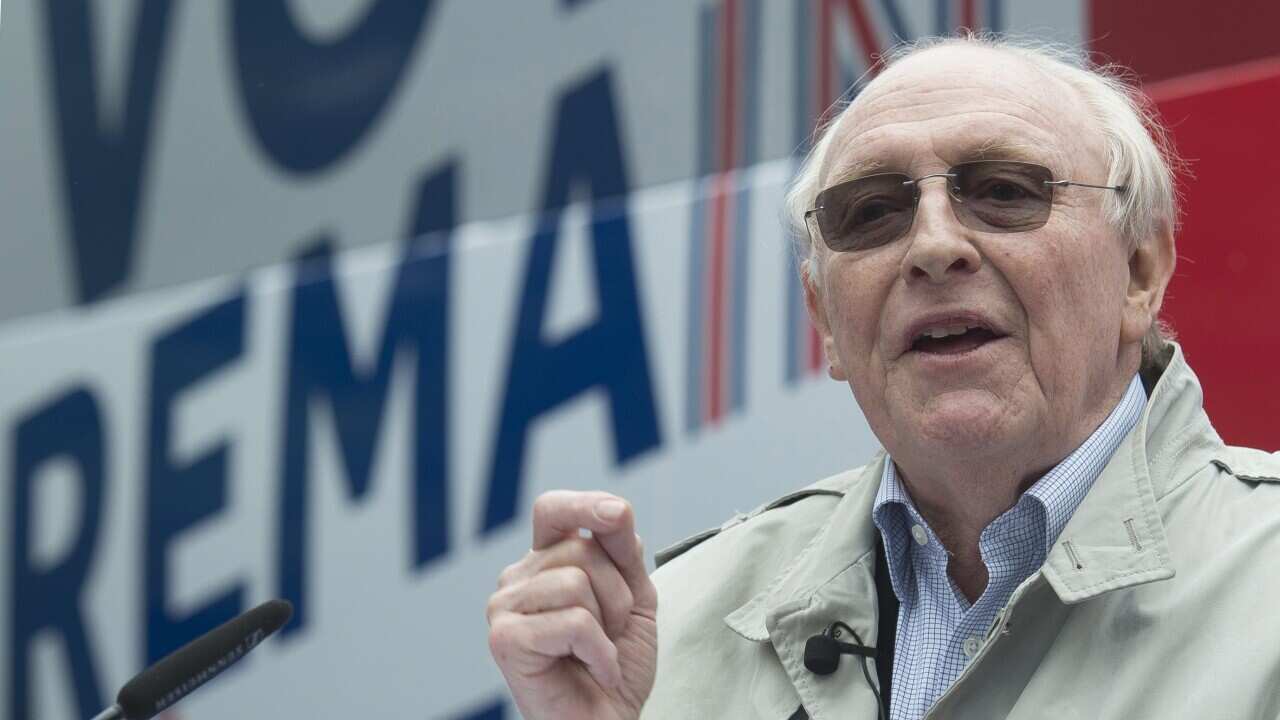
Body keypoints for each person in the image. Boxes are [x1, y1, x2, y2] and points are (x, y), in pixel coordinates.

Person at [486, 33, 1280, 719]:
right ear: (826, 319)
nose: (933, 247)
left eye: (1004, 191)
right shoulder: (670, 626)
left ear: (1139, 272)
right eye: (871, 213)